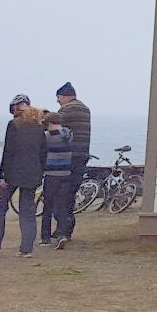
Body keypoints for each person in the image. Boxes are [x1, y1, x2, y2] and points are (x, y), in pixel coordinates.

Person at [0, 95, 45, 258]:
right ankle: (26, 248)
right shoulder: (39, 126)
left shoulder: (14, 125)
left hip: (13, 172)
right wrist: (40, 173)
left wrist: (3, 174)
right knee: (28, 211)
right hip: (32, 173)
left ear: (15, 109)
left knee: (0, 207)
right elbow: (43, 152)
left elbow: (9, 151)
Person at [53, 82, 91, 236]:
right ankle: (67, 228)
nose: (57, 101)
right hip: (82, 156)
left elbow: (53, 124)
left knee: (61, 194)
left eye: (59, 98)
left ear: (65, 96)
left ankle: (63, 230)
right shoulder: (85, 109)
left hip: (68, 158)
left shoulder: (67, 110)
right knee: (70, 194)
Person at [38, 110, 75, 248]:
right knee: (63, 205)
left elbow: (41, 153)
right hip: (66, 173)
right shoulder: (68, 134)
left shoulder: (47, 136)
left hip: (51, 174)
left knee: (48, 206)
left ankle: (45, 237)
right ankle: (62, 234)